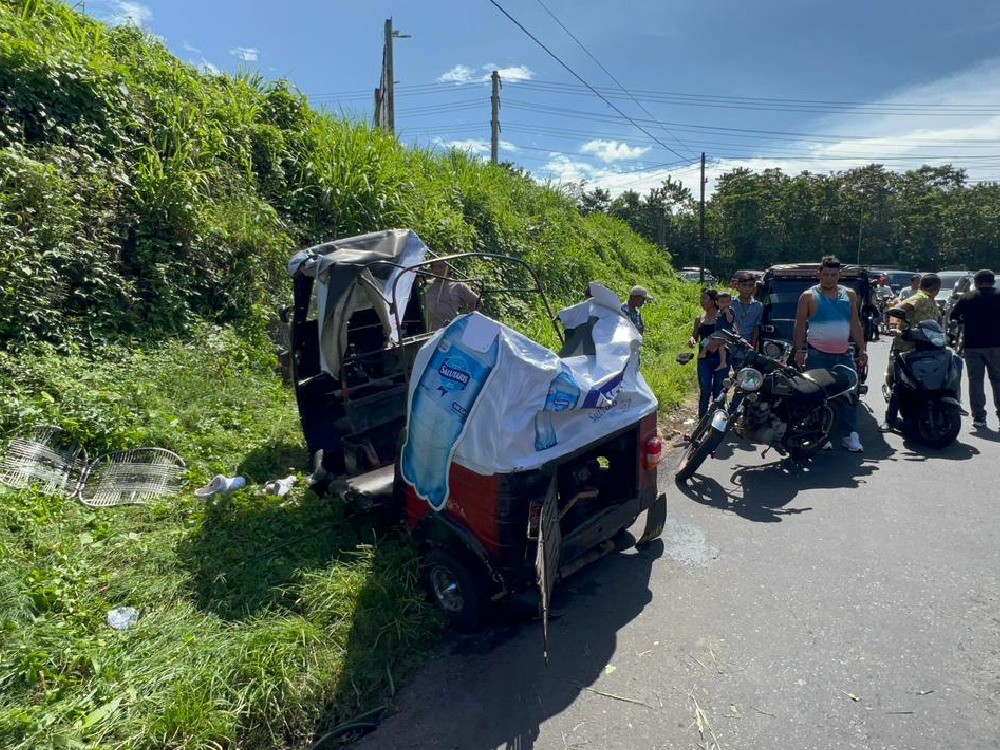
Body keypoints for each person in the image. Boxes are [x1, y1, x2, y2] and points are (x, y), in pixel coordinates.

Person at [792, 255, 868, 453]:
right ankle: (817, 433)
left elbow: (855, 323)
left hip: (843, 354)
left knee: (850, 393)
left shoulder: (849, 294)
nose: (829, 278)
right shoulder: (809, 296)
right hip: (817, 354)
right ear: (819, 274)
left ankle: (849, 435)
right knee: (816, 397)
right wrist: (799, 350)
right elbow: (800, 324)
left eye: (833, 274)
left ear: (839, 275)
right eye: (825, 274)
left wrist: (862, 348)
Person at [881, 274, 942, 430]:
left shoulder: (932, 302)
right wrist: (900, 328)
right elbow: (897, 309)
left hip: (925, 350)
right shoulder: (919, 298)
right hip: (906, 348)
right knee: (900, 385)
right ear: (936, 288)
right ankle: (890, 420)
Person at [949, 269, 1000, 430]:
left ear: (976, 282)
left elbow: (954, 317)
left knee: (975, 382)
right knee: (998, 381)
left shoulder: (967, 298)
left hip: (973, 345)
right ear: (992, 281)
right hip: (996, 346)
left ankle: (979, 417)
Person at [689, 289, 727, 418]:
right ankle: (702, 420)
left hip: (719, 358)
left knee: (719, 391)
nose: (701, 301)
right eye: (701, 299)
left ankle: (718, 421)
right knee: (705, 391)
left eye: (704, 298)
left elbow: (725, 337)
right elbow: (695, 336)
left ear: (712, 301)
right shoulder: (699, 319)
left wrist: (708, 344)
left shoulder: (721, 318)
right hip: (703, 359)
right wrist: (692, 341)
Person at [425, 259, 480, 330]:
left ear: (449, 268)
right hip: (425, 333)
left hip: (447, 331)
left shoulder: (457, 285)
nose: (437, 270)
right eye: (434, 266)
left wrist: (467, 322)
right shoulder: (426, 284)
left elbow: (476, 302)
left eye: (441, 266)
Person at [730, 271, 763, 353]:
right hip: (730, 342)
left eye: (750, 286)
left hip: (747, 344)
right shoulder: (731, 302)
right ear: (738, 287)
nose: (747, 288)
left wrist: (753, 345)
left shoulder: (758, 305)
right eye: (744, 285)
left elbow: (756, 327)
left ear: (754, 288)